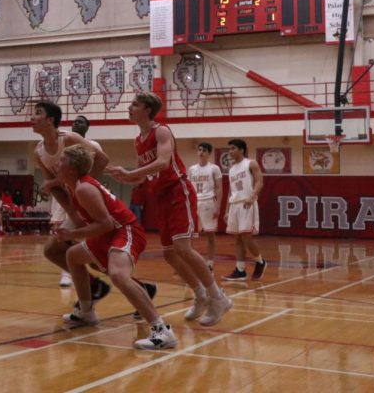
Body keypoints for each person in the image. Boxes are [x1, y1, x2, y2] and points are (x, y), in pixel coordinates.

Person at [105, 93, 233, 328]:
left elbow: (163, 162)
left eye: (135, 104)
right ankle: (200, 294)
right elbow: (144, 174)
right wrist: (125, 177)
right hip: (160, 196)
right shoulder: (138, 139)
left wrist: (132, 172)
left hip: (178, 190)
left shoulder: (161, 131)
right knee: (169, 254)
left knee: (183, 248)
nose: (130, 108)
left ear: (147, 109)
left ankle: (218, 297)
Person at [55, 145, 178, 350]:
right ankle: (86, 312)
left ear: (72, 169)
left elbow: (107, 223)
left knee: (118, 274)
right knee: (73, 256)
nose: (57, 163)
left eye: (62, 160)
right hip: (109, 233)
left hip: (125, 229)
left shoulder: (84, 188)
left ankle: (162, 331)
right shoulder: (74, 185)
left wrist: (72, 235)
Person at [32, 101, 112, 294]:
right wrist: (73, 213)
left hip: (93, 201)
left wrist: (83, 188)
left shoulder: (68, 139)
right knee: (54, 250)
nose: (32, 117)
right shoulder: (38, 152)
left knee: (95, 260)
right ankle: (93, 289)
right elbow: (57, 188)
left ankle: (138, 288)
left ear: (50, 120)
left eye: (37, 113)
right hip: (76, 205)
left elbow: (102, 159)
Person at [223, 139, 267, 282]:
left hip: (247, 203)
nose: (230, 151)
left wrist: (252, 196)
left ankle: (260, 262)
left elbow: (260, 181)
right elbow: (231, 191)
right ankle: (240, 270)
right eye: (229, 149)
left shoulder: (251, 163)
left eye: (233, 148)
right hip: (235, 204)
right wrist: (227, 210)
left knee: (246, 236)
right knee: (238, 238)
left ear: (242, 150)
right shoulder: (231, 169)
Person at [188, 142, 224, 271]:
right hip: (194, 202)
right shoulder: (192, 169)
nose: (201, 152)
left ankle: (210, 262)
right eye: (199, 150)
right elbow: (188, 188)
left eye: (203, 150)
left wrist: (218, 206)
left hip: (209, 201)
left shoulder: (214, 168)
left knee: (210, 234)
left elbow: (219, 188)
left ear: (209, 153)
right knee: (190, 234)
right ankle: (192, 262)